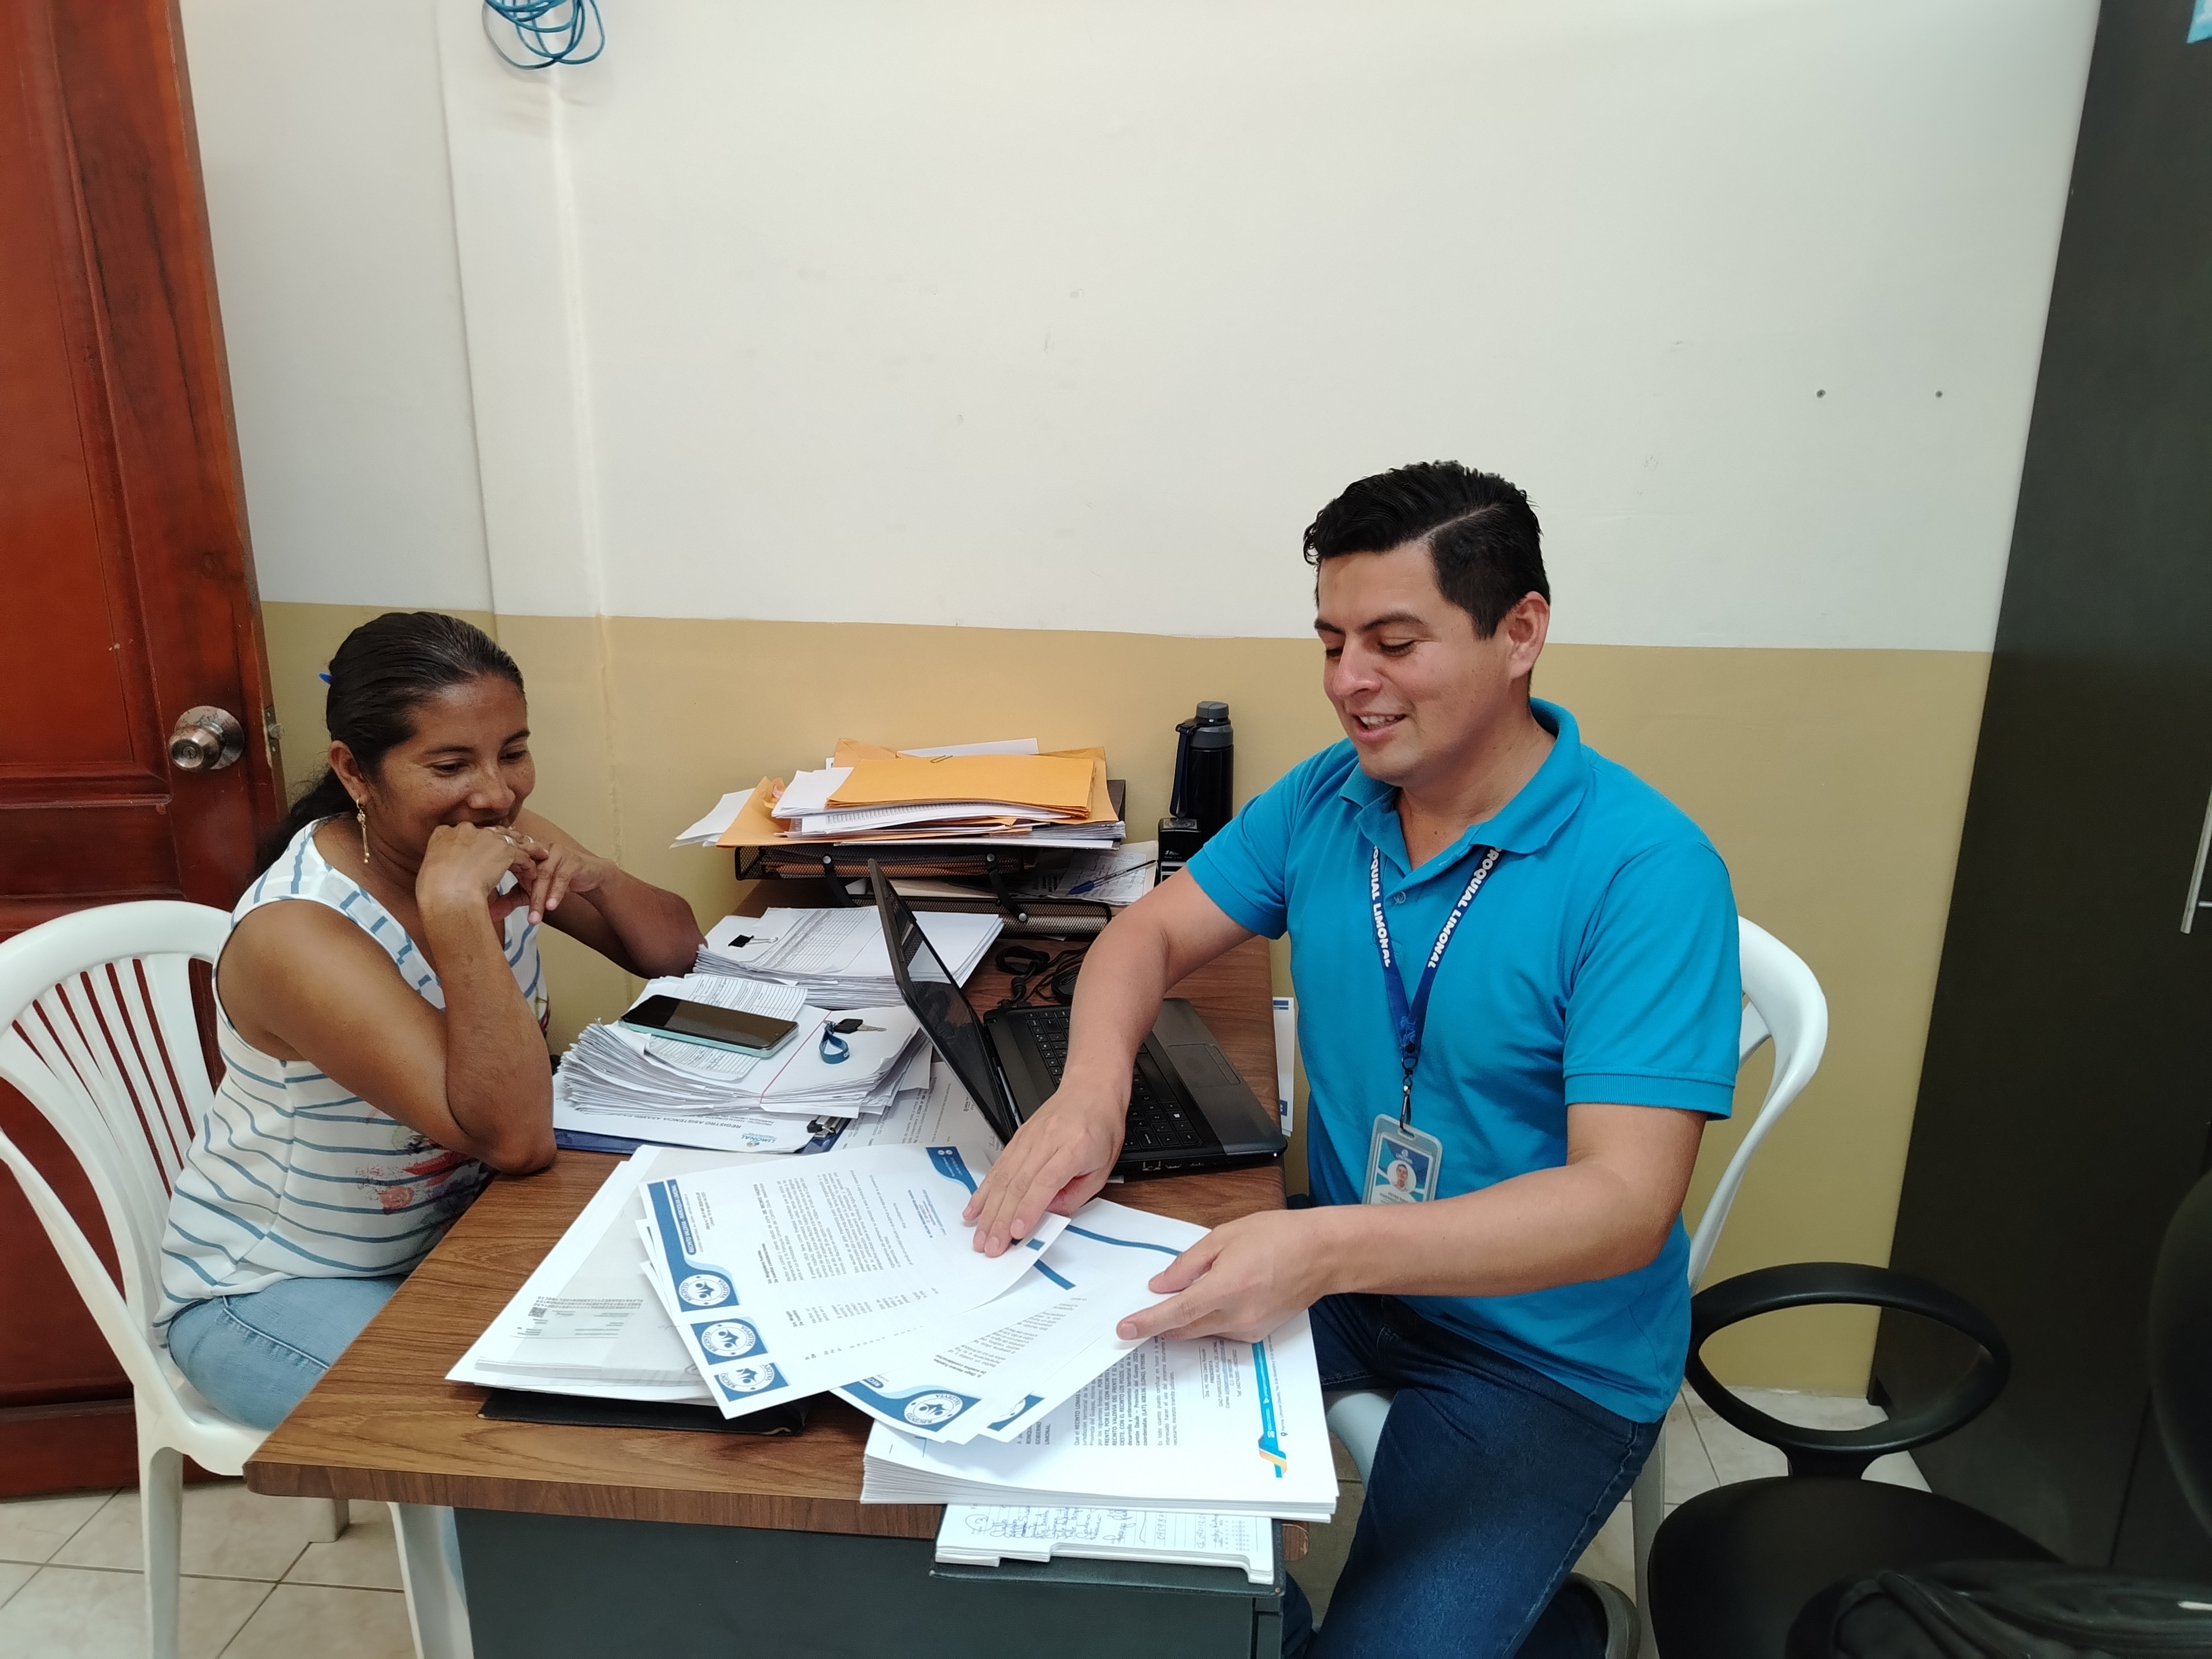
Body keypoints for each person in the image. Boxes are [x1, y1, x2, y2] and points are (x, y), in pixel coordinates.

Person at [965, 463, 1741, 1658]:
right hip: (1344, 1278)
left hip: (1540, 1353)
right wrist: (1090, 1095)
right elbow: (1146, 934)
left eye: (1393, 643)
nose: (1347, 683)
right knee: (1084, 1510)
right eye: (1331, 643)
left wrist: (1326, 1247)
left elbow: (1622, 1205)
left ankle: (1552, 1620)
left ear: (1520, 633)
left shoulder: (1647, 872)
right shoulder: (1333, 798)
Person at [156, 611, 704, 1429]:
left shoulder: (485, 832)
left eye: (513, 752)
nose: (497, 792)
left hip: (453, 1238)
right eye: (450, 765)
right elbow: (516, 1141)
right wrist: (455, 917)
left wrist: (598, 876)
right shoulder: (296, 933)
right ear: (355, 771)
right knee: (521, 1430)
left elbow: (676, 953)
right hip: (275, 1292)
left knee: (669, 1353)